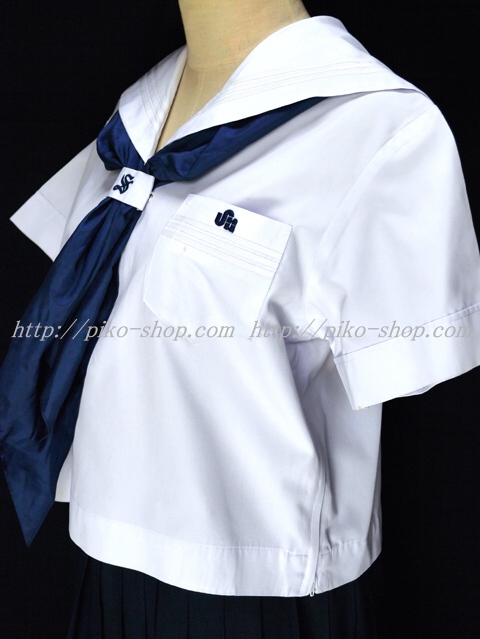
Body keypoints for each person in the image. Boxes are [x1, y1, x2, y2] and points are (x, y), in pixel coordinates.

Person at [2, 1, 480, 637]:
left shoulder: (383, 130)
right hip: (100, 563)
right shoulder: (135, 123)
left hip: (255, 592)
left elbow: (415, 358)